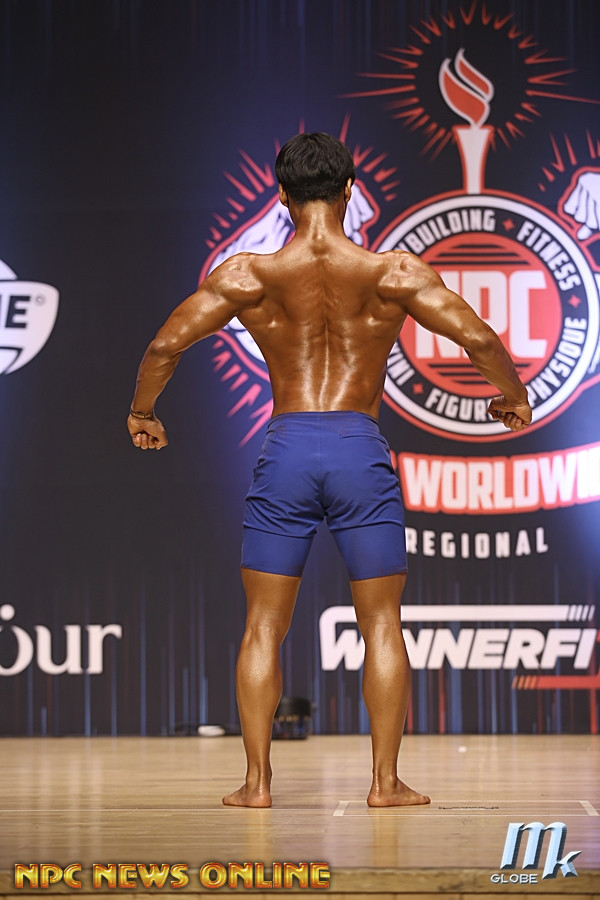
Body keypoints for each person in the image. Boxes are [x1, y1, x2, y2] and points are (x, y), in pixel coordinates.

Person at [127, 132, 532, 809]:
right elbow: (480, 338)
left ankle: (256, 784)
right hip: (357, 451)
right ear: (350, 190)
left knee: (262, 625)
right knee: (382, 624)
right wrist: (511, 396)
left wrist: (143, 412)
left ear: (281, 196)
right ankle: (385, 783)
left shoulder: (248, 276)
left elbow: (165, 343)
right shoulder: (391, 274)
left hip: (286, 449)